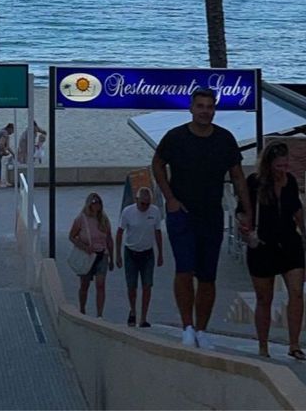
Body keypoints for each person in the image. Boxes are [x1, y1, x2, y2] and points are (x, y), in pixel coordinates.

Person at [152, 87, 251, 350]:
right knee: (184, 270)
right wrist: (169, 199)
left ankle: (202, 329)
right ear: (191, 108)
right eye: (200, 106)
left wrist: (246, 210)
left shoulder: (225, 139)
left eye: (209, 106)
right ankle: (186, 326)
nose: (205, 111)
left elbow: (238, 176)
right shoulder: (175, 137)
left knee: (208, 276)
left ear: (214, 109)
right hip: (182, 215)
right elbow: (157, 164)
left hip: (211, 214)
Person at [239, 141, 306, 361]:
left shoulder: (290, 183)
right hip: (263, 244)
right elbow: (243, 210)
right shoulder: (255, 183)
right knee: (264, 298)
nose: (282, 170)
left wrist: (305, 238)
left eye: (285, 165)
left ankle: (294, 344)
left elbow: (297, 210)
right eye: (279, 166)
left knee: (297, 293)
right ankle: (263, 345)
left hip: (289, 242)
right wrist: (246, 231)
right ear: (269, 164)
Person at [116, 186, 163, 327]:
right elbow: (119, 233)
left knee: (147, 285)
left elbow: (158, 233)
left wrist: (160, 253)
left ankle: (143, 317)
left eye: (147, 204)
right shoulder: (128, 212)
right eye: (142, 203)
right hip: (131, 252)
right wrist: (117, 255)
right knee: (132, 286)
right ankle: (133, 311)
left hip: (148, 253)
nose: (145, 206)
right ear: (136, 200)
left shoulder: (155, 212)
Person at [68, 192, 115, 317]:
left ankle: (100, 314)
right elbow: (72, 236)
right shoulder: (81, 219)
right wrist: (84, 247)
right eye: (94, 203)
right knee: (85, 284)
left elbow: (109, 238)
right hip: (88, 255)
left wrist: (112, 257)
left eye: (98, 202)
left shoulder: (104, 219)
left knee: (100, 284)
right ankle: (82, 308)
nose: (96, 205)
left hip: (102, 254)